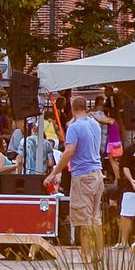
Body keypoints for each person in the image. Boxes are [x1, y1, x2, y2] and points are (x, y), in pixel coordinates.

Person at [44, 96, 104, 239]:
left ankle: (87, 256)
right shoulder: (95, 124)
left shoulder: (74, 127)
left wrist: (53, 173)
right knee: (96, 218)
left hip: (82, 175)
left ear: (72, 108)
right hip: (97, 173)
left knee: (84, 220)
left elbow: (69, 151)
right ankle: (98, 256)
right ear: (86, 107)